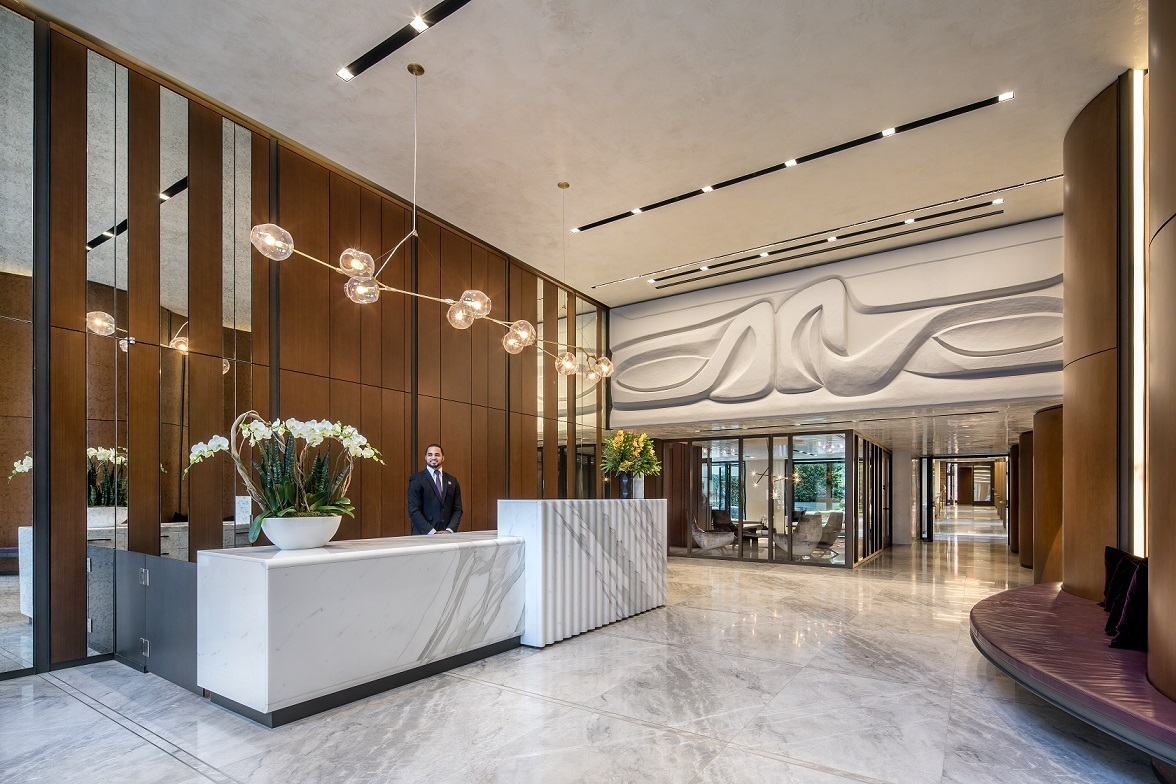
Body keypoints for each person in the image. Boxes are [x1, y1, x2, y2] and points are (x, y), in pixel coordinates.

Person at [407, 443, 463, 535]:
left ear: (443, 458)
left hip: (447, 536)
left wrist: (449, 530)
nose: (433, 457)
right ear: (425, 457)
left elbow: (457, 509)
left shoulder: (452, 480)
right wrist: (432, 532)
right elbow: (413, 510)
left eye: (437, 455)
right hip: (423, 536)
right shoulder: (416, 479)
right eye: (430, 455)